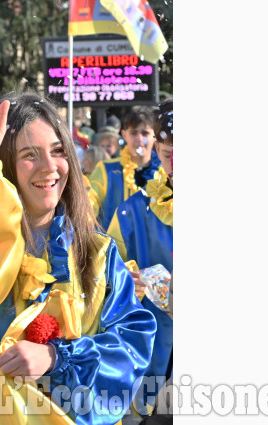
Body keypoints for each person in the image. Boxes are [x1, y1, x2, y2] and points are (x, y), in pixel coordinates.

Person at [0, 74, 156, 424]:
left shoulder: (98, 253)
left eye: (58, 151)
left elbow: (131, 349)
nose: (49, 167)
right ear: (6, 166)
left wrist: (58, 357)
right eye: (30, 155)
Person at [107, 99, 174, 420]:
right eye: (166, 149)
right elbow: (108, 268)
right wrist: (128, 278)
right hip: (156, 354)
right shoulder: (132, 210)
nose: (173, 156)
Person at [87, 107, 161, 232]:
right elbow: (88, 204)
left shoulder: (165, 172)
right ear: (124, 135)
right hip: (113, 249)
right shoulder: (106, 170)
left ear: (155, 136)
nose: (139, 139)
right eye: (133, 133)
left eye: (145, 133)